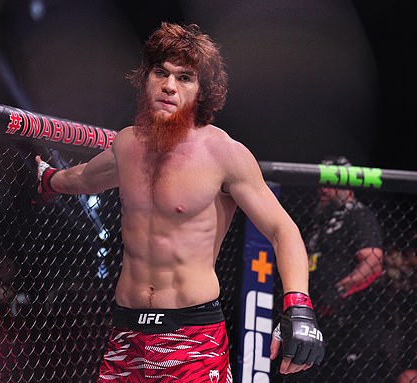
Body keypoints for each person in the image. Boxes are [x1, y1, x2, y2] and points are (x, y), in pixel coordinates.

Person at [35, 22, 324, 382]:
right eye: (161, 73)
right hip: (126, 336)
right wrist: (46, 178)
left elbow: (283, 230)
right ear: (147, 78)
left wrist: (298, 304)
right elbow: (82, 179)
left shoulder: (224, 154)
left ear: (202, 91)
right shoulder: (127, 144)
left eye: (185, 78)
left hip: (192, 338)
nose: (169, 86)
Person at [304, 155, 384, 382]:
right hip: (321, 318)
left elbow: (373, 264)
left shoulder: (359, 215)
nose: (324, 189)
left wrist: (340, 291)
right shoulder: (319, 220)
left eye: (332, 183)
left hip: (352, 321)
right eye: (322, 182)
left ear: (348, 186)